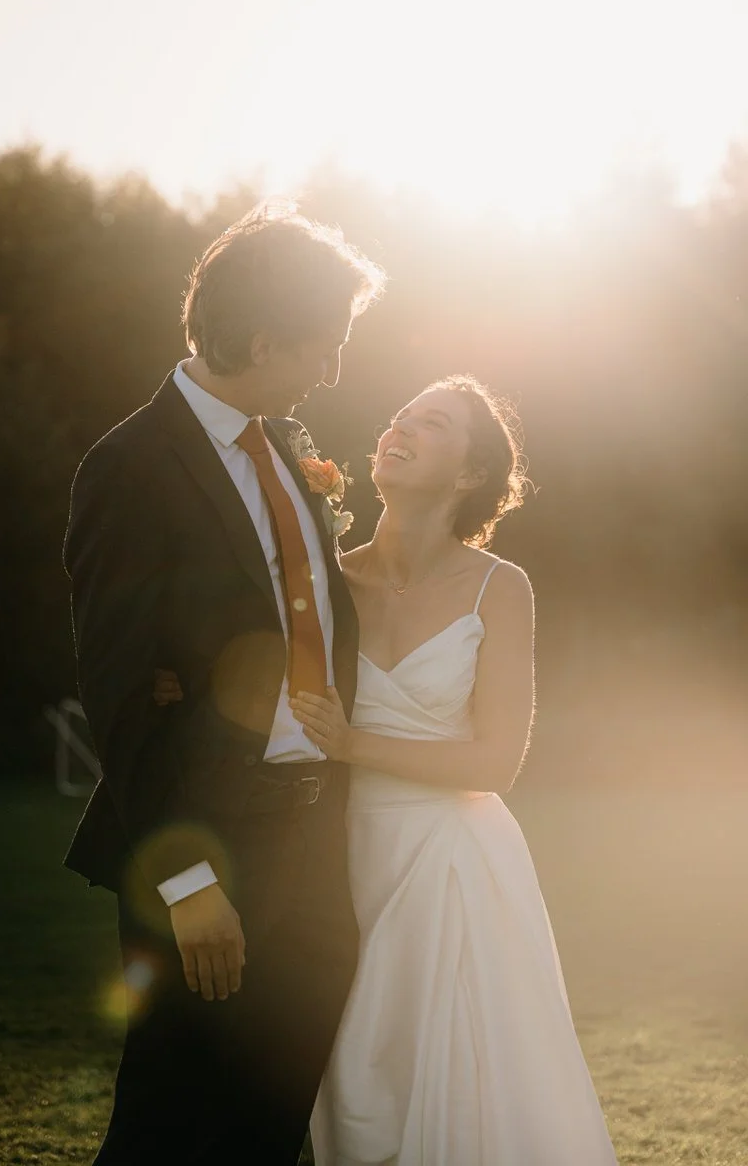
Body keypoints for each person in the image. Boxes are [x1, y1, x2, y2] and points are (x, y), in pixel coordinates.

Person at [164, 372, 620, 1161]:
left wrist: (353, 746)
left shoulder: (500, 590)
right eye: (399, 414)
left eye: (431, 422)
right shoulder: (323, 581)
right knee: (341, 1086)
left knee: (458, 1087)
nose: (398, 427)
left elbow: (497, 761)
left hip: (453, 869)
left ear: (472, 474)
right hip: (329, 861)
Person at [62, 201, 386, 1166]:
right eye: (324, 346)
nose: (333, 370)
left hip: (316, 840)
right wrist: (189, 879)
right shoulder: (128, 468)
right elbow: (119, 695)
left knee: (269, 1120)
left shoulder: (288, 448)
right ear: (259, 338)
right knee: (171, 1119)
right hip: (209, 847)